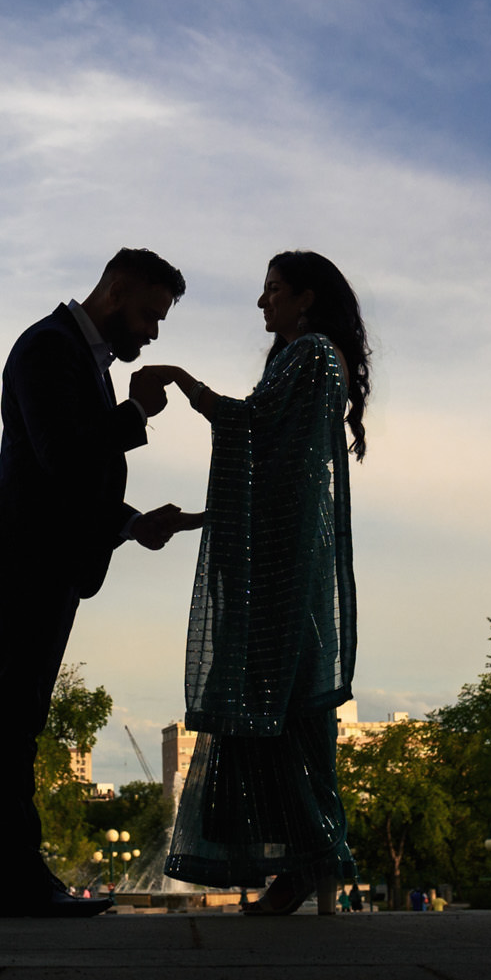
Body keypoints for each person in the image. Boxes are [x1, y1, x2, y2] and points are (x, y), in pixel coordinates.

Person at [0, 248, 201, 918]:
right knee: (12, 716)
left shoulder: (73, 353)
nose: (153, 333)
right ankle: (14, 885)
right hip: (26, 554)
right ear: (117, 291)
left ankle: (20, 879)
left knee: (20, 717)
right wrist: (136, 415)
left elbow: (67, 482)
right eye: (150, 315)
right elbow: (61, 454)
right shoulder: (48, 346)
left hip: (42, 550)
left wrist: (130, 526)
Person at [136, 250, 368, 917]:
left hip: (284, 562)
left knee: (281, 702)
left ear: (306, 298)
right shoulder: (313, 358)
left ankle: (310, 861)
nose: (261, 305)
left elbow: (252, 427)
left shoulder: (314, 354)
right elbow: (269, 454)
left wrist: (180, 379)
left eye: (272, 292)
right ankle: (308, 867)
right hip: (286, 549)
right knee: (285, 705)